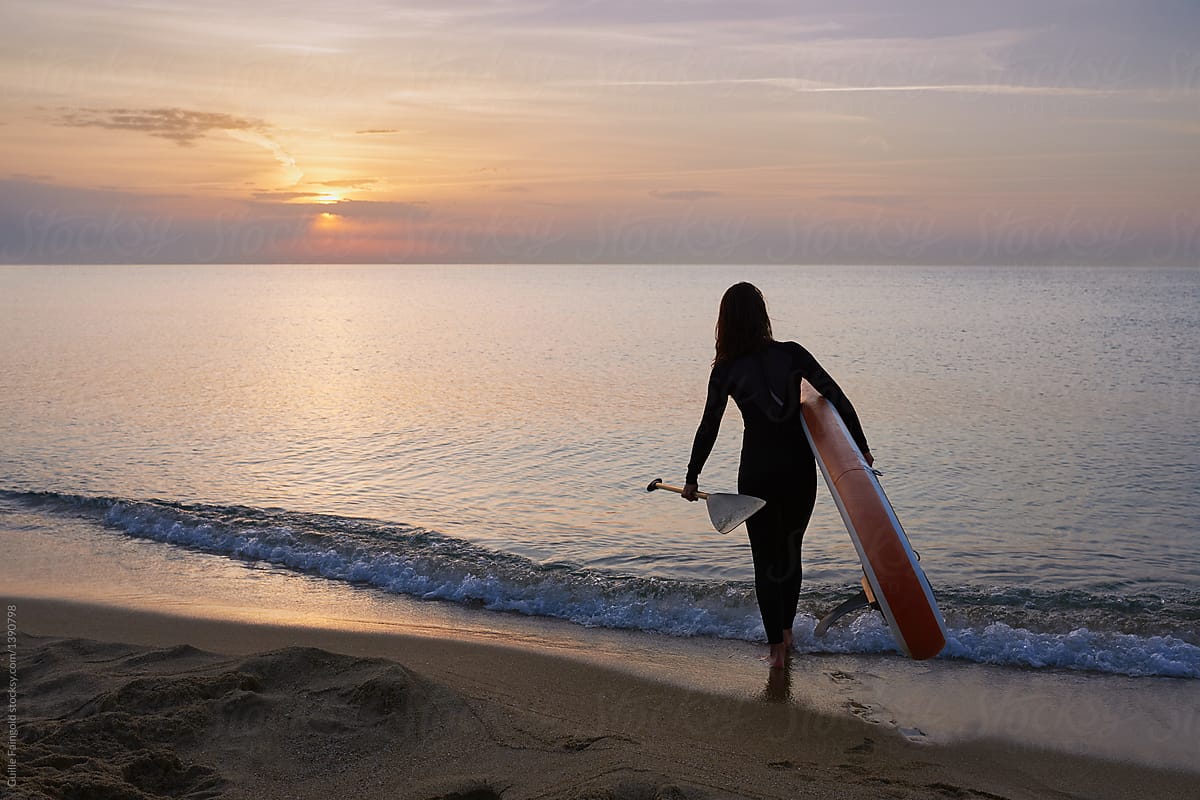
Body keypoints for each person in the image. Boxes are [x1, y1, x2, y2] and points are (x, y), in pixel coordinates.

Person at [682, 282, 873, 669]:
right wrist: (861, 449)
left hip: (758, 473)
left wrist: (692, 476)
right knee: (790, 553)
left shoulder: (727, 369)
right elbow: (835, 396)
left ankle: (777, 651)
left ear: (725, 323)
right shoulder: (793, 354)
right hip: (798, 473)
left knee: (764, 561)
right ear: (762, 315)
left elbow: (709, 425)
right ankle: (787, 634)